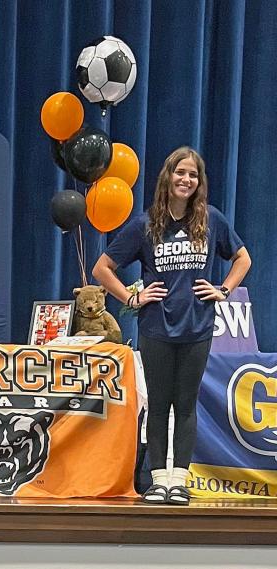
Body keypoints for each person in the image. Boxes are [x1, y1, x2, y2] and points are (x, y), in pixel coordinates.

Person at [92, 146, 251, 506]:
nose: (186, 179)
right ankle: (158, 480)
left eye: (193, 174)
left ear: (200, 182)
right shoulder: (145, 223)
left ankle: (179, 479)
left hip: (197, 326)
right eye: (181, 172)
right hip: (156, 328)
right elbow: (102, 268)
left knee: (186, 404)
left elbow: (243, 258)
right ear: (168, 176)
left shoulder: (211, 220)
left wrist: (223, 289)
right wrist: (131, 298)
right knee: (160, 404)